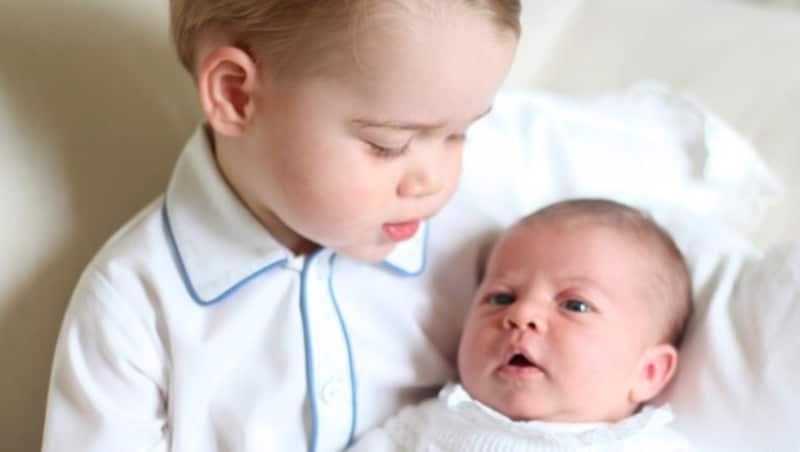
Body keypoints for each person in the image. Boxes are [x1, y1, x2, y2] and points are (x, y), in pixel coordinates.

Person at [41, 1, 520, 451]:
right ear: (236, 95)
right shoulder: (133, 306)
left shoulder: (481, 251)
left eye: (459, 134)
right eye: (387, 144)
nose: (432, 181)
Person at [348, 198, 695, 451]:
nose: (521, 314)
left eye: (574, 305)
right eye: (501, 297)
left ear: (647, 372)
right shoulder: (424, 429)